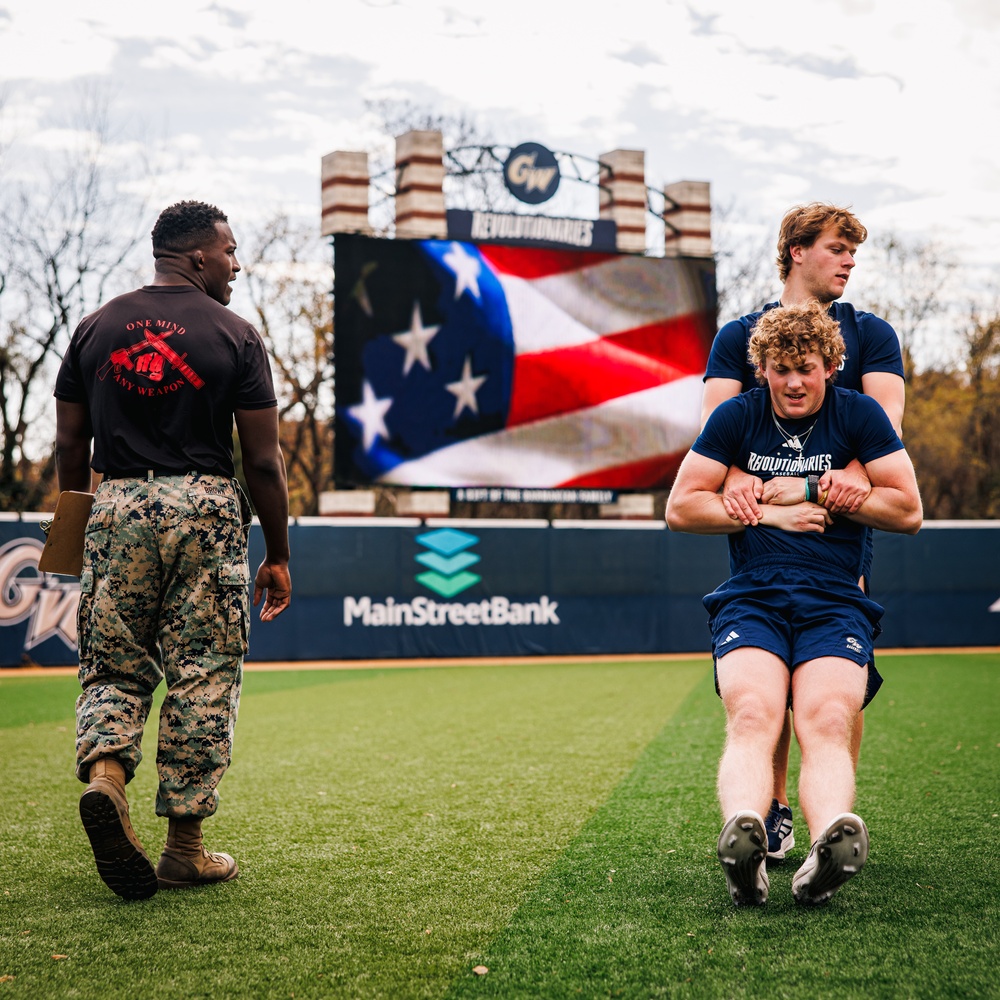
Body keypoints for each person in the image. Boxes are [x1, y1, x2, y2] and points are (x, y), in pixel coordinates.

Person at [54, 200, 291, 900]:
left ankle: (107, 781)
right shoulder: (236, 334)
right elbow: (265, 462)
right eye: (229, 250)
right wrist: (275, 552)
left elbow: (70, 445)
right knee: (203, 674)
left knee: (113, 666)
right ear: (196, 256)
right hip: (205, 509)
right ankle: (184, 849)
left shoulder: (93, 328)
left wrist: (77, 522)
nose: (236, 263)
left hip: (117, 504)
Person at [666, 301, 921, 906]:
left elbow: (907, 510)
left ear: (832, 365)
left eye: (806, 367)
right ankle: (743, 847)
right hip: (752, 596)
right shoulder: (736, 418)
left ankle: (829, 843)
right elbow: (682, 507)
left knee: (828, 719)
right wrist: (776, 512)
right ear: (762, 368)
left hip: (835, 599)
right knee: (754, 713)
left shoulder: (858, 415)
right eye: (780, 369)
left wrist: (827, 490)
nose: (794, 382)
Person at [701, 203, 905, 861]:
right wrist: (762, 490)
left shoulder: (870, 334)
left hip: (841, 535)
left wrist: (811, 483)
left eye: (853, 250)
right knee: (765, 685)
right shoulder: (739, 334)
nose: (849, 259)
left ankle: (832, 819)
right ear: (795, 250)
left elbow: (879, 439)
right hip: (764, 536)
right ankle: (774, 808)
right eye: (837, 247)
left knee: (832, 686)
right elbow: (720, 433)